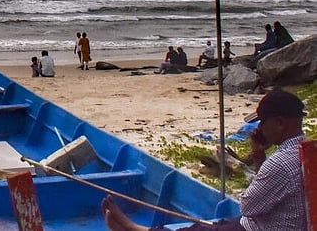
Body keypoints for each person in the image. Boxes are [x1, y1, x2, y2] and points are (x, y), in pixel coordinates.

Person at [101, 88, 307, 231]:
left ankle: (135, 229)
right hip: (270, 223)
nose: (259, 128)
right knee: (215, 226)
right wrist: (259, 155)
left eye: (262, 123)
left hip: (261, 227)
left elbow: (248, 206)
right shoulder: (306, 150)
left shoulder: (279, 164)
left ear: (280, 123)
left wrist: (261, 161)